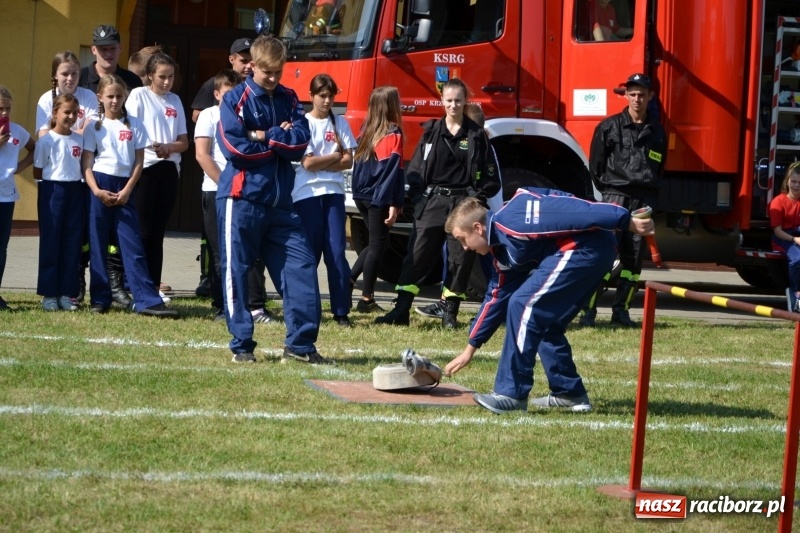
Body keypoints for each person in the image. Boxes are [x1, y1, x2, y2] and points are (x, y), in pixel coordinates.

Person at [443, 189, 655, 414]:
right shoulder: (502, 252)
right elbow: (495, 298)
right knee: (543, 321)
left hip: (586, 250)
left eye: (463, 240)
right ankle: (569, 393)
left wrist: (624, 219)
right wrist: (470, 348)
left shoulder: (515, 217)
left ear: (478, 228)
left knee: (523, 305)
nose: (465, 248)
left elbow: (574, 210)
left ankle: (511, 394)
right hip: (587, 254)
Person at [216, 35, 331, 364]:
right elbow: (236, 150)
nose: (273, 78)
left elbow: (300, 143)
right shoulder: (234, 99)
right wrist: (277, 139)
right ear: (251, 65)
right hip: (241, 199)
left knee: (302, 265)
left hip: (281, 202)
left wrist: (266, 134)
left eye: (278, 72)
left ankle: (300, 345)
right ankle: (241, 345)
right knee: (236, 271)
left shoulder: (290, 98)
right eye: (267, 72)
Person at [375, 78, 500, 328]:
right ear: (442, 101)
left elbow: (490, 177)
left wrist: (476, 201)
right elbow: (416, 171)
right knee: (417, 255)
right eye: (449, 100)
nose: (453, 105)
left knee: (460, 259)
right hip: (433, 202)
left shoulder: (476, 135)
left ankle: (449, 314)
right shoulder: (431, 132)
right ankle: (401, 311)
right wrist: (421, 199)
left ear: (465, 102)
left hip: (462, 204)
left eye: (458, 101)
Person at [81, 74, 179, 318]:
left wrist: (127, 191)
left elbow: (138, 161)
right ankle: (100, 298)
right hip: (100, 185)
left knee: (132, 244)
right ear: (100, 98)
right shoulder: (94, 125)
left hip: (125, 187)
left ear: (125, 97)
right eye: (110, 96)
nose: (114, 101)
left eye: (119, 96)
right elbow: (87, 162)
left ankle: (146, 299)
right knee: (99, 244)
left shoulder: (134, 123)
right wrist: (96, 190)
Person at [578, 73, 667, 328]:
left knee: (633, 261)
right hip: (614, 197)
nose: (637, 99)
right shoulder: (608, 126)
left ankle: (622, 311)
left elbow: (659, 170)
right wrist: (608, 194)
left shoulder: (657, 132)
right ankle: (589, 312)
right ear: (625, 96)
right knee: (603, 256)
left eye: (642, 94)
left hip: (643, 201)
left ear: (651, 97)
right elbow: (595, 166)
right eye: (633, 94)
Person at [78, 24, 144, 307]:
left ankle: (119, 286)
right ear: (93, 49)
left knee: (124, 240)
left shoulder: (131, 81)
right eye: (102, 48)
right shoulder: (81, 80)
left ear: (119, 48)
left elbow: (135, 132)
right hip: (89, 174)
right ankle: (84, 286)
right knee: (87, 237)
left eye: (112, 47)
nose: (107, 52)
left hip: (123, 174)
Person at [293, 73, 357, 327]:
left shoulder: (339, 123)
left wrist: (329, 160)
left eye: (331, 96)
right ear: (311, 96)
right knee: (310, 253)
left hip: (334, 194)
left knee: (336, 252)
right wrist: (335, 157)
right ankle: (309, 307)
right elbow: (307, 163)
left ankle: (341, 310)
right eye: (322, 95)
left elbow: (349, 160)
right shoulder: (302, 123)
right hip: (306, 194)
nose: (328, 100)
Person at [125, 52, 189, 298]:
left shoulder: (175, 101)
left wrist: (169, 148)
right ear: (150, 75)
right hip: (145, 167)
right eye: (161, 77)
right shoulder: (139, 95)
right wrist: (153, 146)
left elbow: (184, 142)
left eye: (171, 77)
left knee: (158, 231)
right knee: (142, 229)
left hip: (169, 168)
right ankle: (135, 284)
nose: (166, 82)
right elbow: (130, 129)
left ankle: (153, 285)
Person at [349, 86, 405, 314]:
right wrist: (395, 202)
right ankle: (366, 298)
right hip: (378, 197)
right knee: (377, 245)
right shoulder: (393, 133)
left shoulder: (365, 132)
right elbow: (393, 173)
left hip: (362, 195)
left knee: (378, 243)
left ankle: (349, 281)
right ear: (391, 106)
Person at [195, 69, 242, 321]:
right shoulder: (209, 116)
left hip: (241, 192)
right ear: (216, 94)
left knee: (238, 250)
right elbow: (203, 155)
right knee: (219, 251)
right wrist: (226, 184)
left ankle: (239, 302)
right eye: (227, 94)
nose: (232, 98)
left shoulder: (245, 115)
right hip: (216, 191)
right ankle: (222, 305)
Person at [32, 94, 86, 311]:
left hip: (76, 190)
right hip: (52, 190)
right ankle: (49, 294)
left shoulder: (80, 140)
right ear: (55, 113)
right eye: (67, 112)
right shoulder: (46, 141)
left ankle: (67, 293)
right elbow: (38, 170)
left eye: (75, 113)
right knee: (51, 242)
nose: (71, 117)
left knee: (72, 243)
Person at [0, 87, 35, 311]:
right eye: (0, 108)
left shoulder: (17, 132)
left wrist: (18, 168)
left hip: (6, 197)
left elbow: (34, 148)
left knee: (1, 247)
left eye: (8, 108)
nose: (4, 113)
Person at [36, 51, 98, 138]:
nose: (70, 78)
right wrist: (80, 132)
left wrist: (57, 133)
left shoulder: (89, 96)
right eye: (65, 74)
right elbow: (44, 137)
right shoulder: (46, 99)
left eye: (74, 73)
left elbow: (92, 133)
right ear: (55, 75)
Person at [191, 38, 252, 123]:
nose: (249, 66)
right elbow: (195, 114)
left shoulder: (258, 86)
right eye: (244, 61)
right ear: (231, 59)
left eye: (252, 61)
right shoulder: (214, 82)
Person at [770, 161, 800, 312]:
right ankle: (795, 293)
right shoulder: (778, 202)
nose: (796, 186)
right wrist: (795, 240)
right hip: (783, 238)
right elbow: (777, 231)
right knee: (797, 258)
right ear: (787, 182)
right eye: (793, 181)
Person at [80, 25, 143, 93]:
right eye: (103, 49)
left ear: (120, 48)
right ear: (93, 50)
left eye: (113, 48)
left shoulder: (133, 81)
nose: (109, 54)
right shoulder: (79, 79)